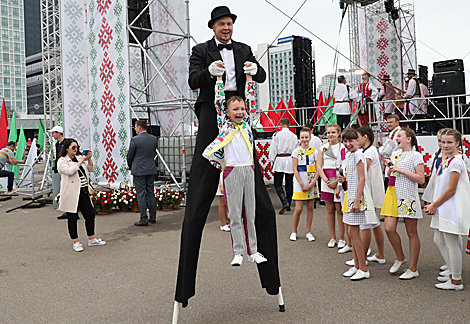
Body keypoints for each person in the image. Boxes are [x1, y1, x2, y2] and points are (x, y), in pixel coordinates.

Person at [175, 6, 280, 307]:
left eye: (229, 23)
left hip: (239, 117)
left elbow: (260, 76)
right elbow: (193, 80)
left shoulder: (245, 49)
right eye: (221, 24)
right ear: (212, 27)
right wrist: (208, 73)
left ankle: (270, 277)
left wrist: (254, 70)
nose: (226, 28)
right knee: (201, 186)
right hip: (212, 117)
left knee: (259, 196)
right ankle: (184, 289)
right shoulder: (200, 50)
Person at [203, 71, 267, 266]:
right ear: (228, 112)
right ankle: (238, 251)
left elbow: (252, 102)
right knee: (234, 214)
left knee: (251, 213)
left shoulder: (247, 124)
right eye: (235, 109)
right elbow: (219, 101)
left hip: (248, 170)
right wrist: (219, 81)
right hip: (231, 171)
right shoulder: (224, 125)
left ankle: (253, 251)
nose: (240, 112)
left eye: (242, 109)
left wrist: (249, 80)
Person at [424, 129, 470, 290]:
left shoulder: (457, 161)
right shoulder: (447, 160)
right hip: (443, 206)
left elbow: (451, 189)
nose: (445, 145)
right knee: (439, 239)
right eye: (443, 142)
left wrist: (434, 204)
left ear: (458, 143)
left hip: (451, 208)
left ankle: (456, 279)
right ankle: (452, 271)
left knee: (451, 243)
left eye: (449, 142)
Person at [381, 128, 425, 279]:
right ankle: (400, 257)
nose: (397, 139)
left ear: (409, 139)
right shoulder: (395, 154)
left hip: (408, 195)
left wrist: (399, 170)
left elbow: (421, 179)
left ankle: (413, 268)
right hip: (392, 193)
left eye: (399, 136)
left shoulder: (416, 155)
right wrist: (390, 168)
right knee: (389, 228)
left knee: (411, 232)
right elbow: (391, 175)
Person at [336, 128, 375, 280]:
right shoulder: (349, 155)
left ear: (357, 141)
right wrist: (342, 181)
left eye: (350, 141)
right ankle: (357, 265)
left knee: (354, 233)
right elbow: (350, 176)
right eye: (345, 141)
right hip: (349, 196)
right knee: (351, 233)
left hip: (355, 198)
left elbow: (362, 178)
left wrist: (358, 200)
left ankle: (363, 268)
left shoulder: (359, 154)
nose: (347, 144)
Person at [57, 139, 106, 252]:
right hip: (71, 192)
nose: (76, 149)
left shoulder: (79, 157)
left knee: (90, 214)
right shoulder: (62, 161)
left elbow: (90, 169)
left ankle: (92, 239)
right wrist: (81, 161)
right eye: (73, 147)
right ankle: (76, 241)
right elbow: (70, 171)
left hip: (83, 190)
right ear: (67, 148)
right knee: (72, 217)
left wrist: (88, 159)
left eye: (77, 147)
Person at [316, 124, 349, 251]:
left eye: (333, 132)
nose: (330, 135)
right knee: (329, 210)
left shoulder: (343, 148)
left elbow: (344, 166)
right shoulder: (322, 148)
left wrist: (336, 182)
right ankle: (332, 237)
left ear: (339, 133)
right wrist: (325, 180)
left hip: (338, 181)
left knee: (340, 210)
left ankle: (341, 238)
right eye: (328, 132)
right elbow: (319, 166)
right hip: (326, 182)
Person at [357, 126, 386, 265]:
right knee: (374, 224)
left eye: (358, 137)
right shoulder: (369, 150)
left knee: (365, 225)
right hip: (371, 190)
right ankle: (380, 254)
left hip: (369, 191)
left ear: (365, 137)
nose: (356, 140)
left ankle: (361, 258)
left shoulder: (368, 152)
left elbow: (362, 171)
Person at [290, 127, 319, 242]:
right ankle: (294, 231)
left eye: (306, 137)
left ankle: (308, 231)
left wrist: (313, 182)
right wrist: (301, 184)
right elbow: (294, 169)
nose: (304, 139)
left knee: (310, 207)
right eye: (302, 137)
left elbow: (318, 168)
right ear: (299, 138)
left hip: (311, 181)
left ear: (310, 138)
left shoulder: (315, 152)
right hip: (299, 182)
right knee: (298, 208)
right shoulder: (296, 151)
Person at [127, 120, 158, 226]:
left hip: (139, 169)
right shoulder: (154, 139)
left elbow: (130, 155)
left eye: (135, 127)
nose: (135, 129)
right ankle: (153, 217)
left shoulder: (135, 140)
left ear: (139, 127)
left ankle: (144, 218)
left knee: (141, 194)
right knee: (150, 193)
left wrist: (130, 165)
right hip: (151, 168)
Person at [268, 118, 298, 214]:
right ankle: (288, 202)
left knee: (278, 183)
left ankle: (284, 201)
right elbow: (296, 150)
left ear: (281, 124)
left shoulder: (277, 135)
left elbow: (273, 149)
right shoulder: (294, 136)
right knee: (289, 183)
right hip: (290, 159)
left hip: (280, 159)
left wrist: (271, 160)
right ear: (289, 124)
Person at [49, 125, 67, 218]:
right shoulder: (57, 144)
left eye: (53, 133)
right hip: (61, 169)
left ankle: (72, 211)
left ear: (58, 133)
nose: (52, 135)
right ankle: (68, 211)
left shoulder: (67, 142)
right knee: (63, 189)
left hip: (67, 169)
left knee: (67, 190)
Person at [404, 69, 424, 133]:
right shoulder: (415, 81)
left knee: (413, 114)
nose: (408, 76)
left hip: (414, 99)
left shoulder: (412, 81)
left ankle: (413, 129)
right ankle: (419, 129)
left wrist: (406, 96)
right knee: (417, 114)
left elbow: (410, 91)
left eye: (409, 75)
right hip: (417, 98)